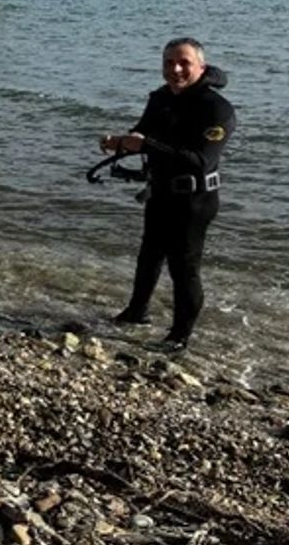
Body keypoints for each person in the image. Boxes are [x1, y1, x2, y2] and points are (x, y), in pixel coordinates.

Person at [100, 37, 236, 350]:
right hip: (160, 192)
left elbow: (202, 161)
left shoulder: (217, 109)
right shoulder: (161, 98)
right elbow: (142, 132)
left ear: (200, 66)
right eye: (168, 63)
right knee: (149, 255)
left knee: (183, 268)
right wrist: (119, 142)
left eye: (184, 63)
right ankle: (136, 312)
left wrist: (146, 145)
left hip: (195, 200)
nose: (175, 69)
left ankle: (179, 337)